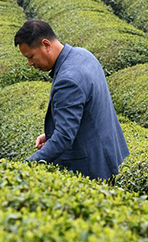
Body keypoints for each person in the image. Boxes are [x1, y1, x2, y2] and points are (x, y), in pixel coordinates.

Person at [15, 20, 129, 181]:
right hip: (111, 156)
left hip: (92, 170)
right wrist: (51, 134)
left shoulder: (68, 80)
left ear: (46, 44)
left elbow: (64, 137)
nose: (30, 63)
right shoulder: (83, 55)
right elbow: (87, 112)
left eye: (31, 56)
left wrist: (22, 168)